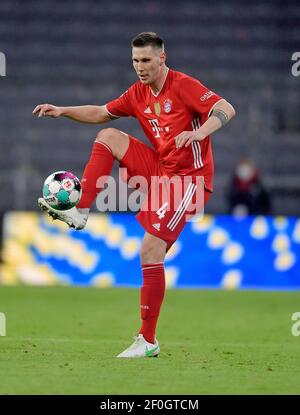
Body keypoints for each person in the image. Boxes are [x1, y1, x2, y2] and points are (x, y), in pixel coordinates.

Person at [33, 32, 236, 358]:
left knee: (150, 249)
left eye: (145, 60)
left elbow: (225, 109)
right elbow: (101, 111)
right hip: (161, 168)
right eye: (135, 61)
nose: (140, 67)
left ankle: (147, 339)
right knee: (108, 134)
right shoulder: (137, 94)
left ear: (161, 59)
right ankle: (80, 209)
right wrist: (62, 110)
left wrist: (199, 132)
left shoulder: (184, 86)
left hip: (188, 180)